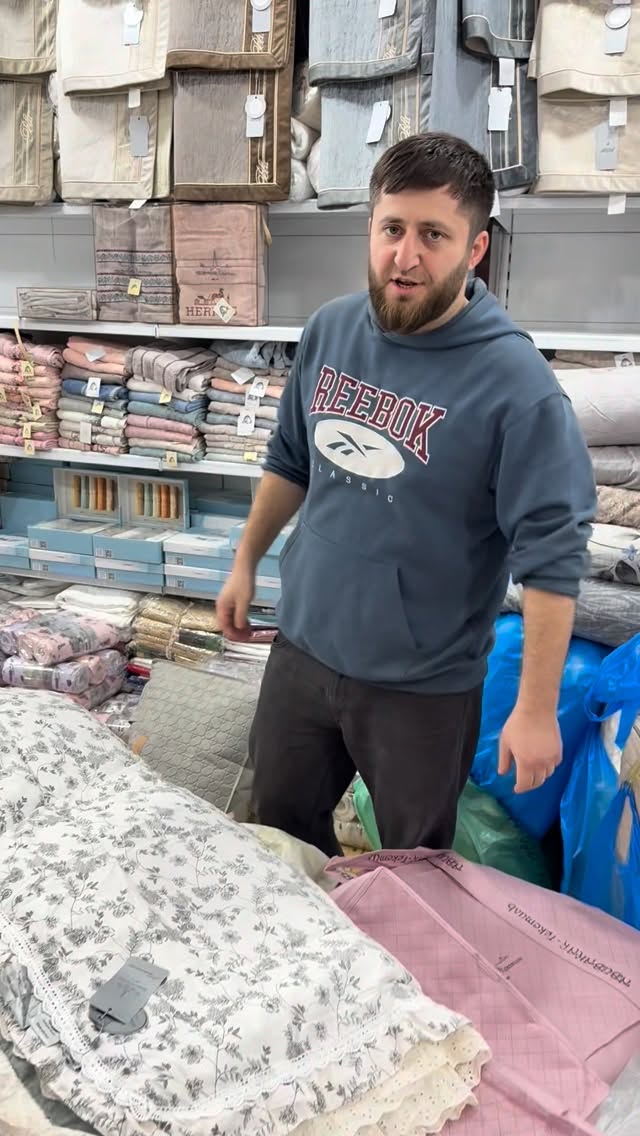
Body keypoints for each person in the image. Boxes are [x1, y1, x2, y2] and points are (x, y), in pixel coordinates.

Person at [217, 132, 596, 858]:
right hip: (303, 651)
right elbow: (291, 459)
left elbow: (552, 558)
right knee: (278, 842)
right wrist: (245, 562)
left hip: (421, 690)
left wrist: (536, 709)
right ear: (370, 228)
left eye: (433, 235)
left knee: (413, 869)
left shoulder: (518, 387)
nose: (406, 255)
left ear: (475, 248)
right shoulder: (330, 329)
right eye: (392, 229)